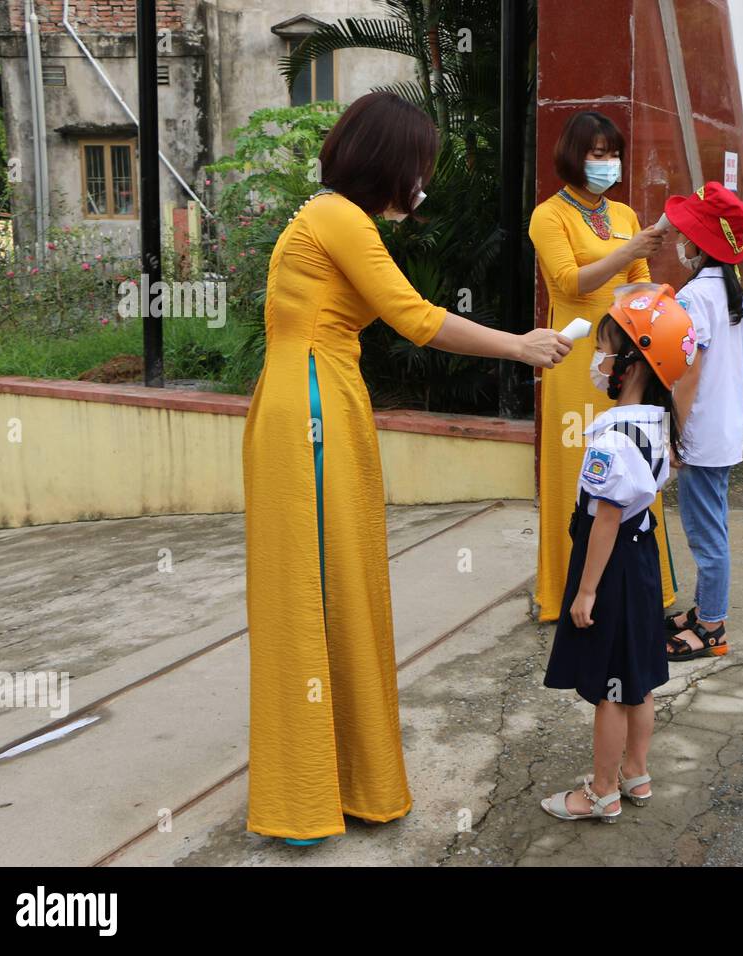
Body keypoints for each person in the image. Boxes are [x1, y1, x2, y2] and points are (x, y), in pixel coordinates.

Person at [243, 92, 571, 846]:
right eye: (418, 168)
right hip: (313, 409)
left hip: (317, 395)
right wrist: (522, 346)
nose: (421, 184)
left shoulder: (332, 217)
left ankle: (341, 782)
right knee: (317, 587)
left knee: (332, 585)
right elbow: (417, 317)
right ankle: (307, 800)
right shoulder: (337, 219)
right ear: (389, 164)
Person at [540, 284, 697, 822]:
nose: (598, 359)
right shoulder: (657, 422)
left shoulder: (611, 440)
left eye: (605, 349)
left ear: (630, 365)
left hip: (610, 570)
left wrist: (585, 590)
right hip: (641, 561)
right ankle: (636, 771)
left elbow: (604, 519)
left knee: (608, 688)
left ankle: (601, 792)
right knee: (638, 679)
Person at [529, 111, 677, 624]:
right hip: (574, 361)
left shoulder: (626, 216)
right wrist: (630, 252)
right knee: (581, 469)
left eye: (612, 153)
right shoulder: (549, 216)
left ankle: (637, 589)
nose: (607, 162)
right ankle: (569, 594)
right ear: (573, 155)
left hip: (626, 358)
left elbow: (640, 281)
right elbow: (570, 283)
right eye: (596, 153)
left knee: (634, 463)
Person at [660, 183, 743, 661]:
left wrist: (673, 433)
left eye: (686, 233)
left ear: (700, 244)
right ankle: (703, 611)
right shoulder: (730, 291)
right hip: (722, 428)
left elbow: (688, 375)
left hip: (701, 431)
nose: (680, 239)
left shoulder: (697, 295)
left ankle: (712, 627)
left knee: (705, 532)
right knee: (711, 524)